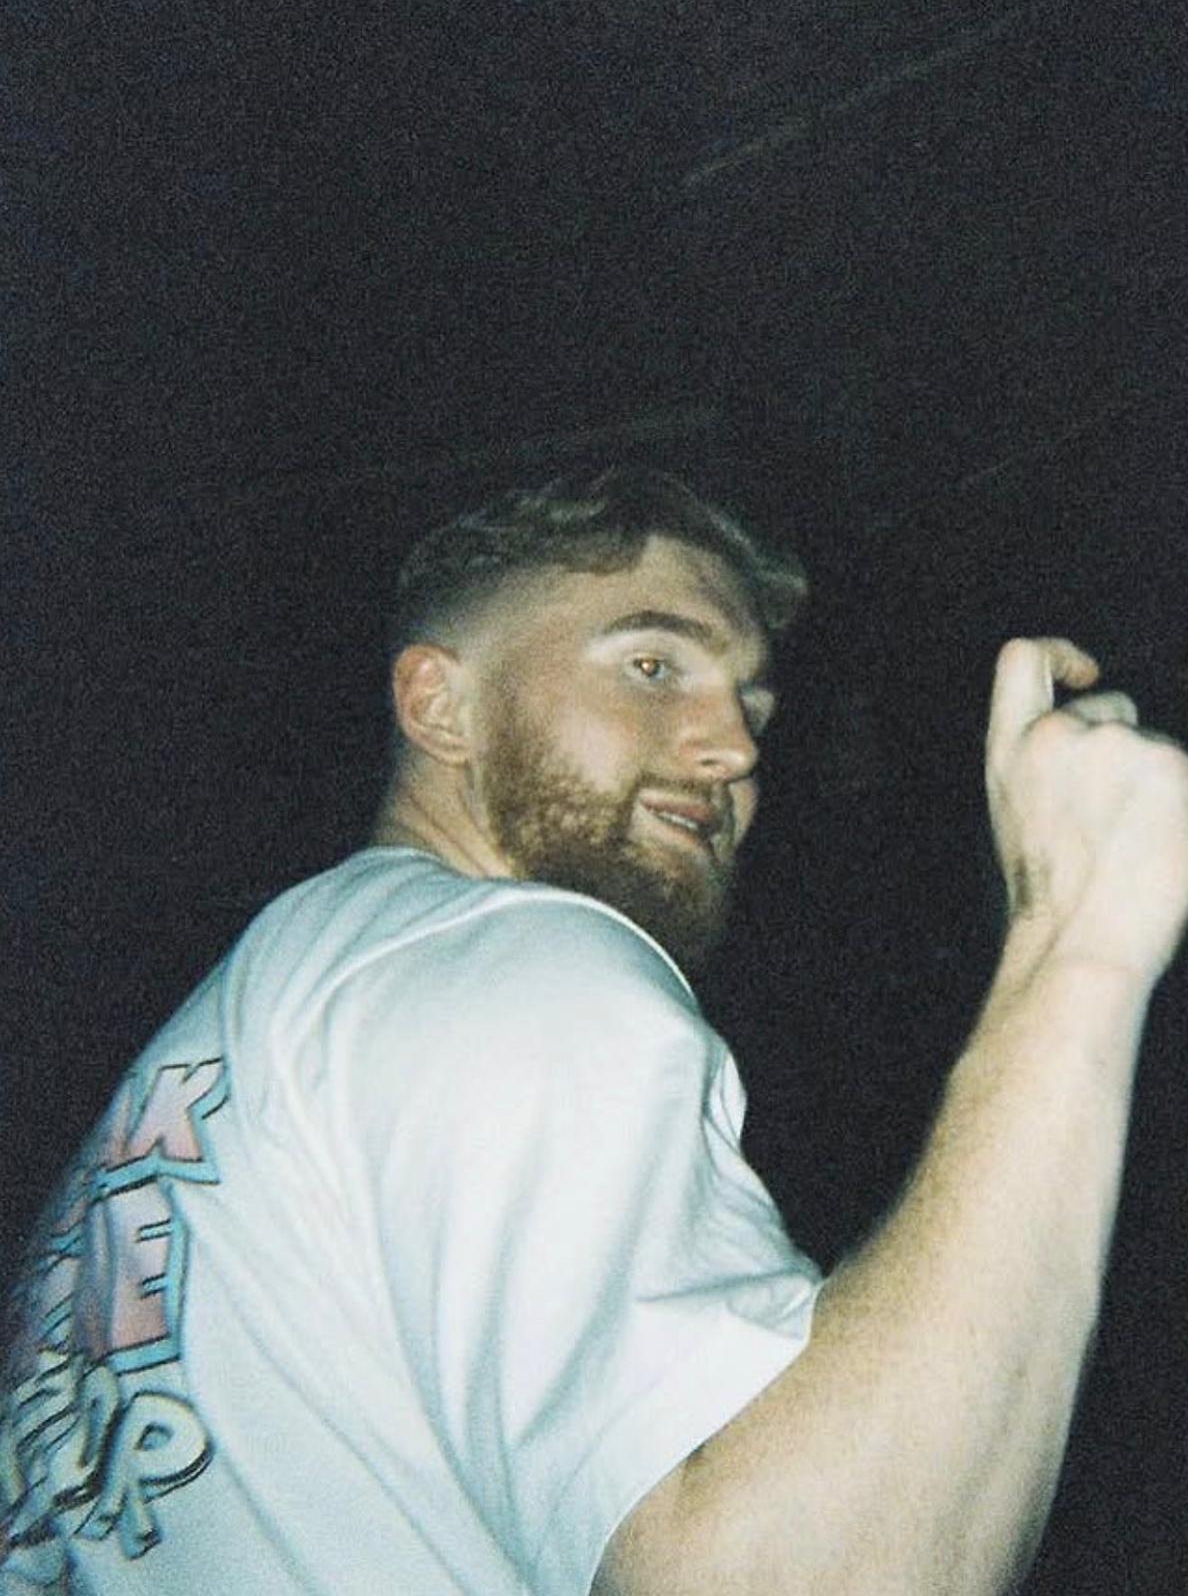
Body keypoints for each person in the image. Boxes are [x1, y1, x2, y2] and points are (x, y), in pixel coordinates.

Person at [2, 466, 1186, 1595]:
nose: (734, 747)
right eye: (654, 664)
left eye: (752, 701)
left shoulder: (257, 1018)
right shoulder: (514, 964)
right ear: (440, 704)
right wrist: (1082, 930)